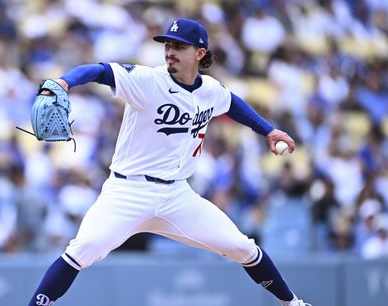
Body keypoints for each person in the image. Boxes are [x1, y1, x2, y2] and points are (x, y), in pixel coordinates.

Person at [28, 18, 311, 306]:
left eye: (179, 46)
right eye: (168, 45)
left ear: (200, 53)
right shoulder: (148, 81)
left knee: (243, 247)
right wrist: (65, 82)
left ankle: (292, 303)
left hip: (176, 195)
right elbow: (101, 71)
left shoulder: (209, 90)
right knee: (82, 249)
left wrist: (269, 130)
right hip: (127, 192)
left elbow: (232, 103)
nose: (170, 52)